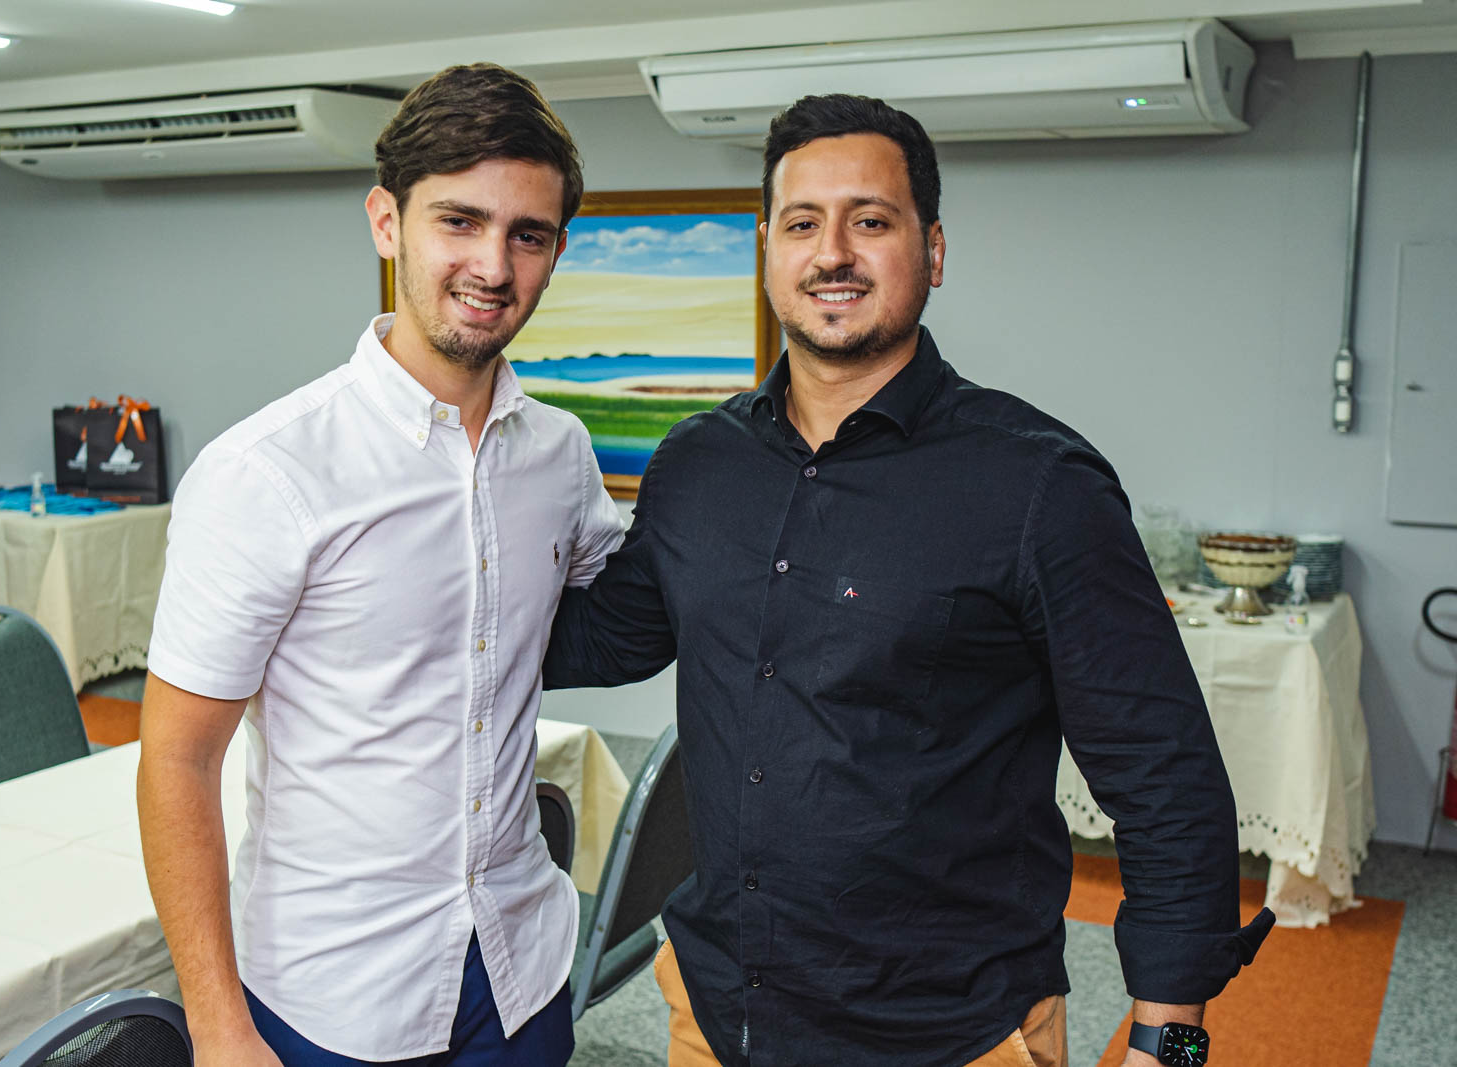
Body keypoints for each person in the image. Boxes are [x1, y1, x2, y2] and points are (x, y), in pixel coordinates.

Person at [544, 94, 1272, 1067]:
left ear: (932, 250)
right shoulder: (699, 465)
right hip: (716, 1017)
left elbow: (1165, 775)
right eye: (802, 223)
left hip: (951, 1034)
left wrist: (1169, 1044)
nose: (832, 252)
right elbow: (608, 633)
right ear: (768, 249)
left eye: (871, 221)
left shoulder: (1038, 486)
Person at [138, 63, 624, 1067]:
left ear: (555, 252)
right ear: (386, 221)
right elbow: (176, 761)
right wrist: (219, 1028)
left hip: (520, 968)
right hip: (332, 994)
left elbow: (628, 603)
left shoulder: (560, 454)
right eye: (460, 220)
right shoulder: (264, 472)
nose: (492, 263)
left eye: (527, 234)